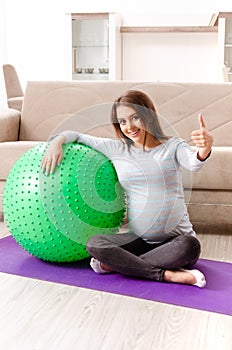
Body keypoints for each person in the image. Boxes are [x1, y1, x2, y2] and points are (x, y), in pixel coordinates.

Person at [41, 90, 213, 288]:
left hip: (176, 242)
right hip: (139, 241)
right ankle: (166, 275)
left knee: (190, 247)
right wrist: (57, 142)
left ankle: (120, 265)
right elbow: (75, 135)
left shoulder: (172, 146)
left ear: (148, 115)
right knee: (95, 244)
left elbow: (194, 163)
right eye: (122, 122)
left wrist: (204, 149)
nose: (129, 126)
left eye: (135, 118)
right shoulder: (117, 149)